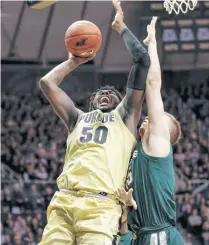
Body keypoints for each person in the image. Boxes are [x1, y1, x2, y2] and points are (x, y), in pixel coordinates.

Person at [38, 0, 150, 244]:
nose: (107, 93)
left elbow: (142, 60)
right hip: (64, 201)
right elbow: (47, 83)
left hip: (101, 207)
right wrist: (74, 61)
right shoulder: (77, 119)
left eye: (113, 93)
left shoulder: (125, 118)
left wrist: (120, 27)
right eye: (101, 92)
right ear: (92, 101)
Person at [117, 16, 184, 245]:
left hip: (159, 236)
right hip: (139, 236)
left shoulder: (158, 144)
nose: (151, 116)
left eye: (159, 119)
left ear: (166, 133)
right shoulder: (136, 149)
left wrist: (152, 44)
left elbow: (153, 85)